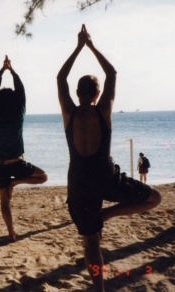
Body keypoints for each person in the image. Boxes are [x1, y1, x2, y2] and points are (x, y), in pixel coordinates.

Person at [57, 25, 161, 292]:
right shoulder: (104, 110)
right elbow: (112, 72)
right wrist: (90, 45)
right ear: (98, 93)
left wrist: (78, 46)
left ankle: (99, 289)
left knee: (91, 243)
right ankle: (108, 214)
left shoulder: (69, 112)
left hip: (79, 185)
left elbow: (60, 78)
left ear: (78, 94)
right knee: (154, 198)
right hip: (106, 179)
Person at [0, 55, 48, 242]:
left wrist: (1, 72)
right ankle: (15, 183)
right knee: (43, 177)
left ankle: (11, 233)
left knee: (5, 201)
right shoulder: (19, 113)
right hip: (16, 164)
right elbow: (21, 91)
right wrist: (11, 71)